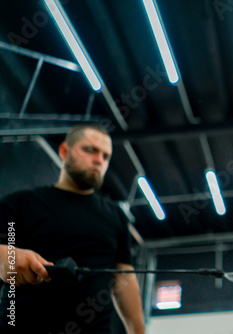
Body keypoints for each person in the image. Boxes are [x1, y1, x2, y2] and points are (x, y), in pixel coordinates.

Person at [0, 124, 145, 333]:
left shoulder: (116, 216)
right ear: (64, 151)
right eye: (90, 150)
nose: (99, 161)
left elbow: (124, 277)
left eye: (106, 156)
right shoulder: (18, 205)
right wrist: (4, 255)